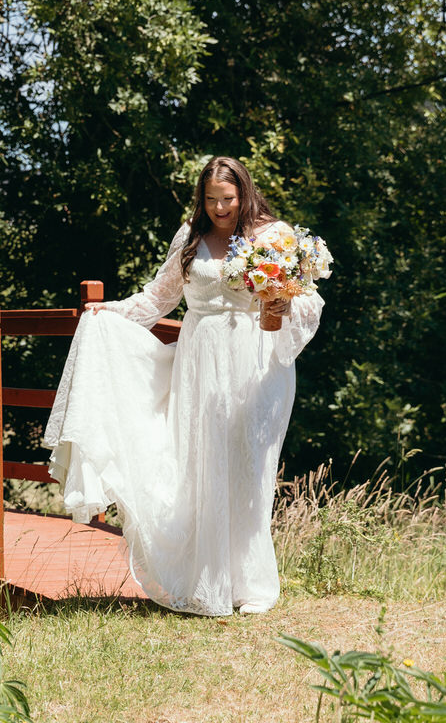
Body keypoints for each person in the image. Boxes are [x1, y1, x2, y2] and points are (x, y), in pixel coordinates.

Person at [44, 156, 325, 616]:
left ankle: (247, 584)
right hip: (200, 360)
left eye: (228, 199)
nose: (219, 208)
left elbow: (308, 301)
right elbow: (160, 296)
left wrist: (279, 303)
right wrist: (109, 311)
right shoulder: (189, 237)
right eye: (211, 199)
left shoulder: (273, 236)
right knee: (199, 461)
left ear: (244, 194)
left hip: (254, 363)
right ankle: (202, 579)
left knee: (248, 465)